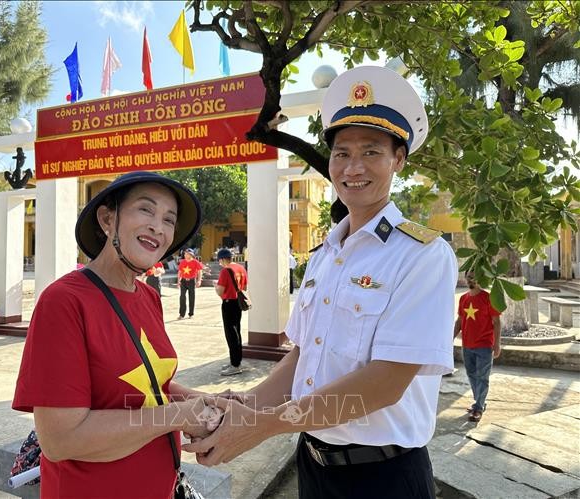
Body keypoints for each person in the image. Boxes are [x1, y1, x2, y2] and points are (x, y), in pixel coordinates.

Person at [184, 65, 458, 499]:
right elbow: (301, 357)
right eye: (341, 153)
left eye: (371, 152)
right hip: (312, 466)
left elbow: (386, 383)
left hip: (384, 478)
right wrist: (247, 404)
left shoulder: (423, 255)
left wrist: (264, 426)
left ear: (398, 160)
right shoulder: (325, 254)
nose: (353, 167)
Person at [12, 171, 222, 498]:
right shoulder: (64, 301)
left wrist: (198, 399)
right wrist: (178, 415)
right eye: (146, 210)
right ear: (108, 218)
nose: (159, 227)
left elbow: (146, 384)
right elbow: (60, 440)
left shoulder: (149, 297)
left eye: (169, 220)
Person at [453, 271, 501, 422]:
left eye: (473, 276)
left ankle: (478, 407)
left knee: (482, 377)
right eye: (468, 277)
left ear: (480, 278)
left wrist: (497, 343)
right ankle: (479, 402)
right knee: (472, 375)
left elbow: (497, 322)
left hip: (484, 345)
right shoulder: (463, 298)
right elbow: (459, 321)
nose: (470, 280)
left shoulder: (488, 298)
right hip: (467, 344)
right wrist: (450, 339)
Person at [214, 248, 249, 376]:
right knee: (237, 332)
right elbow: (244, 287)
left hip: (228, 303)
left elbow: (220, 291)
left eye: (219, 260)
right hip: (238, 304)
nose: (219, 263)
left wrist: (215, 287)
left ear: (223, 259)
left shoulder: (225, 270)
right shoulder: (241, 268)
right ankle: (236, 361)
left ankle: (235, 365)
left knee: (231, 334)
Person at [177, 248, 204, 319]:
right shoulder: (182, 262)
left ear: (191, 255)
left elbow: (199, 271)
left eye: (187, 254)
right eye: (185, 254)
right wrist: (178, 281)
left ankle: (191, 314)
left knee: (191, 297)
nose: (185, 255)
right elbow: (179, 272)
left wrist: (199, 280)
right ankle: (181, 314)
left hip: (192, 281)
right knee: (182, 297)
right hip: (183, 281)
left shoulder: (195, 262)